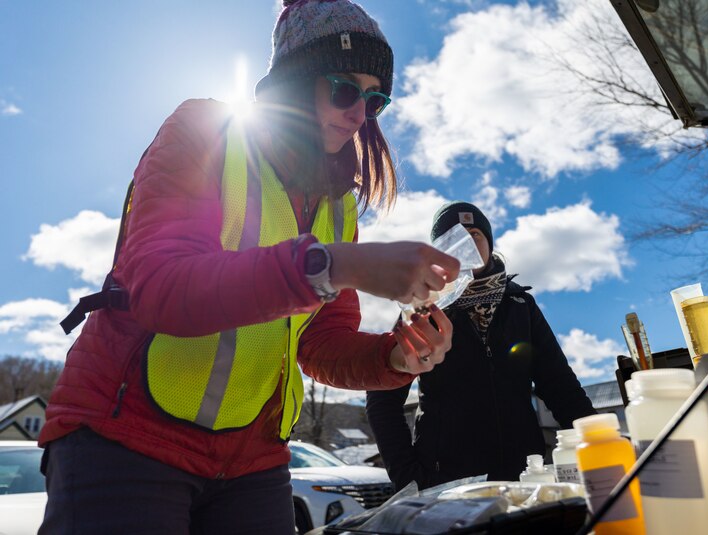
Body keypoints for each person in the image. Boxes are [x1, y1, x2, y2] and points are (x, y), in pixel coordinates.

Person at [37, 1, 460, 533]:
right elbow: (159, 286)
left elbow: (320, 344)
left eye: (375, 101)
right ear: (295, 78)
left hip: (253, 463)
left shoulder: (338, 207)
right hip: (125, 439)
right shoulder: (205, 129)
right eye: (346, 89)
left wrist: (395, 357)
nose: (358, 114)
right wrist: (334, 264)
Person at [366, 201, 596, 491]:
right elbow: (382, 398)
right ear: (440, 252)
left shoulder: (520, 305)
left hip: (524, 476)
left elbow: (560, 385)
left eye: (475, 233)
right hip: (447, 483)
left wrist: (599, 443)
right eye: (455, 235)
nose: (468, 241)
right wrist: (409, 479)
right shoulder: (422, 309)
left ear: (489, 242)